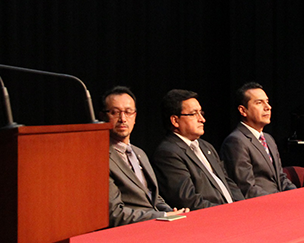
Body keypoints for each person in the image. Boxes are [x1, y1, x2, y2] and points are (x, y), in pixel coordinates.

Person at [103, 86, 187, 226]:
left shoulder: (139, 152)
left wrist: (172, 212)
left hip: (156, 223)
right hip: (132, 231)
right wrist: (163, 215)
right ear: (102, 116)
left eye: (128, 112)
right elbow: (115, 213)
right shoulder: (101, 158)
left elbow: (151, 195)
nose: (123, 119)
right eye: (115, 112)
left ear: (135, 117)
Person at [153, 89, 244, 210]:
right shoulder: (168, 153)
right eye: (194, 114)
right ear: (175, 120)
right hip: (209, 219)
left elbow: (227, 182)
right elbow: (187, 199)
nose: (202, 119)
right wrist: (227, 211)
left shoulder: (206, 146)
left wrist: (242, 206)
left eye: (201, 113)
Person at [220, 82, 296, 198]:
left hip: (278, 201)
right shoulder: (236, 141)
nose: (268, 107)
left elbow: (281, 178)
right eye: (259, 103)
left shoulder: (268, 139)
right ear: (243, 111)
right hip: (261, 205)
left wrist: (297, 195)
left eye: (267, 102)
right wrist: (280, 201)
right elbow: (247, 188)